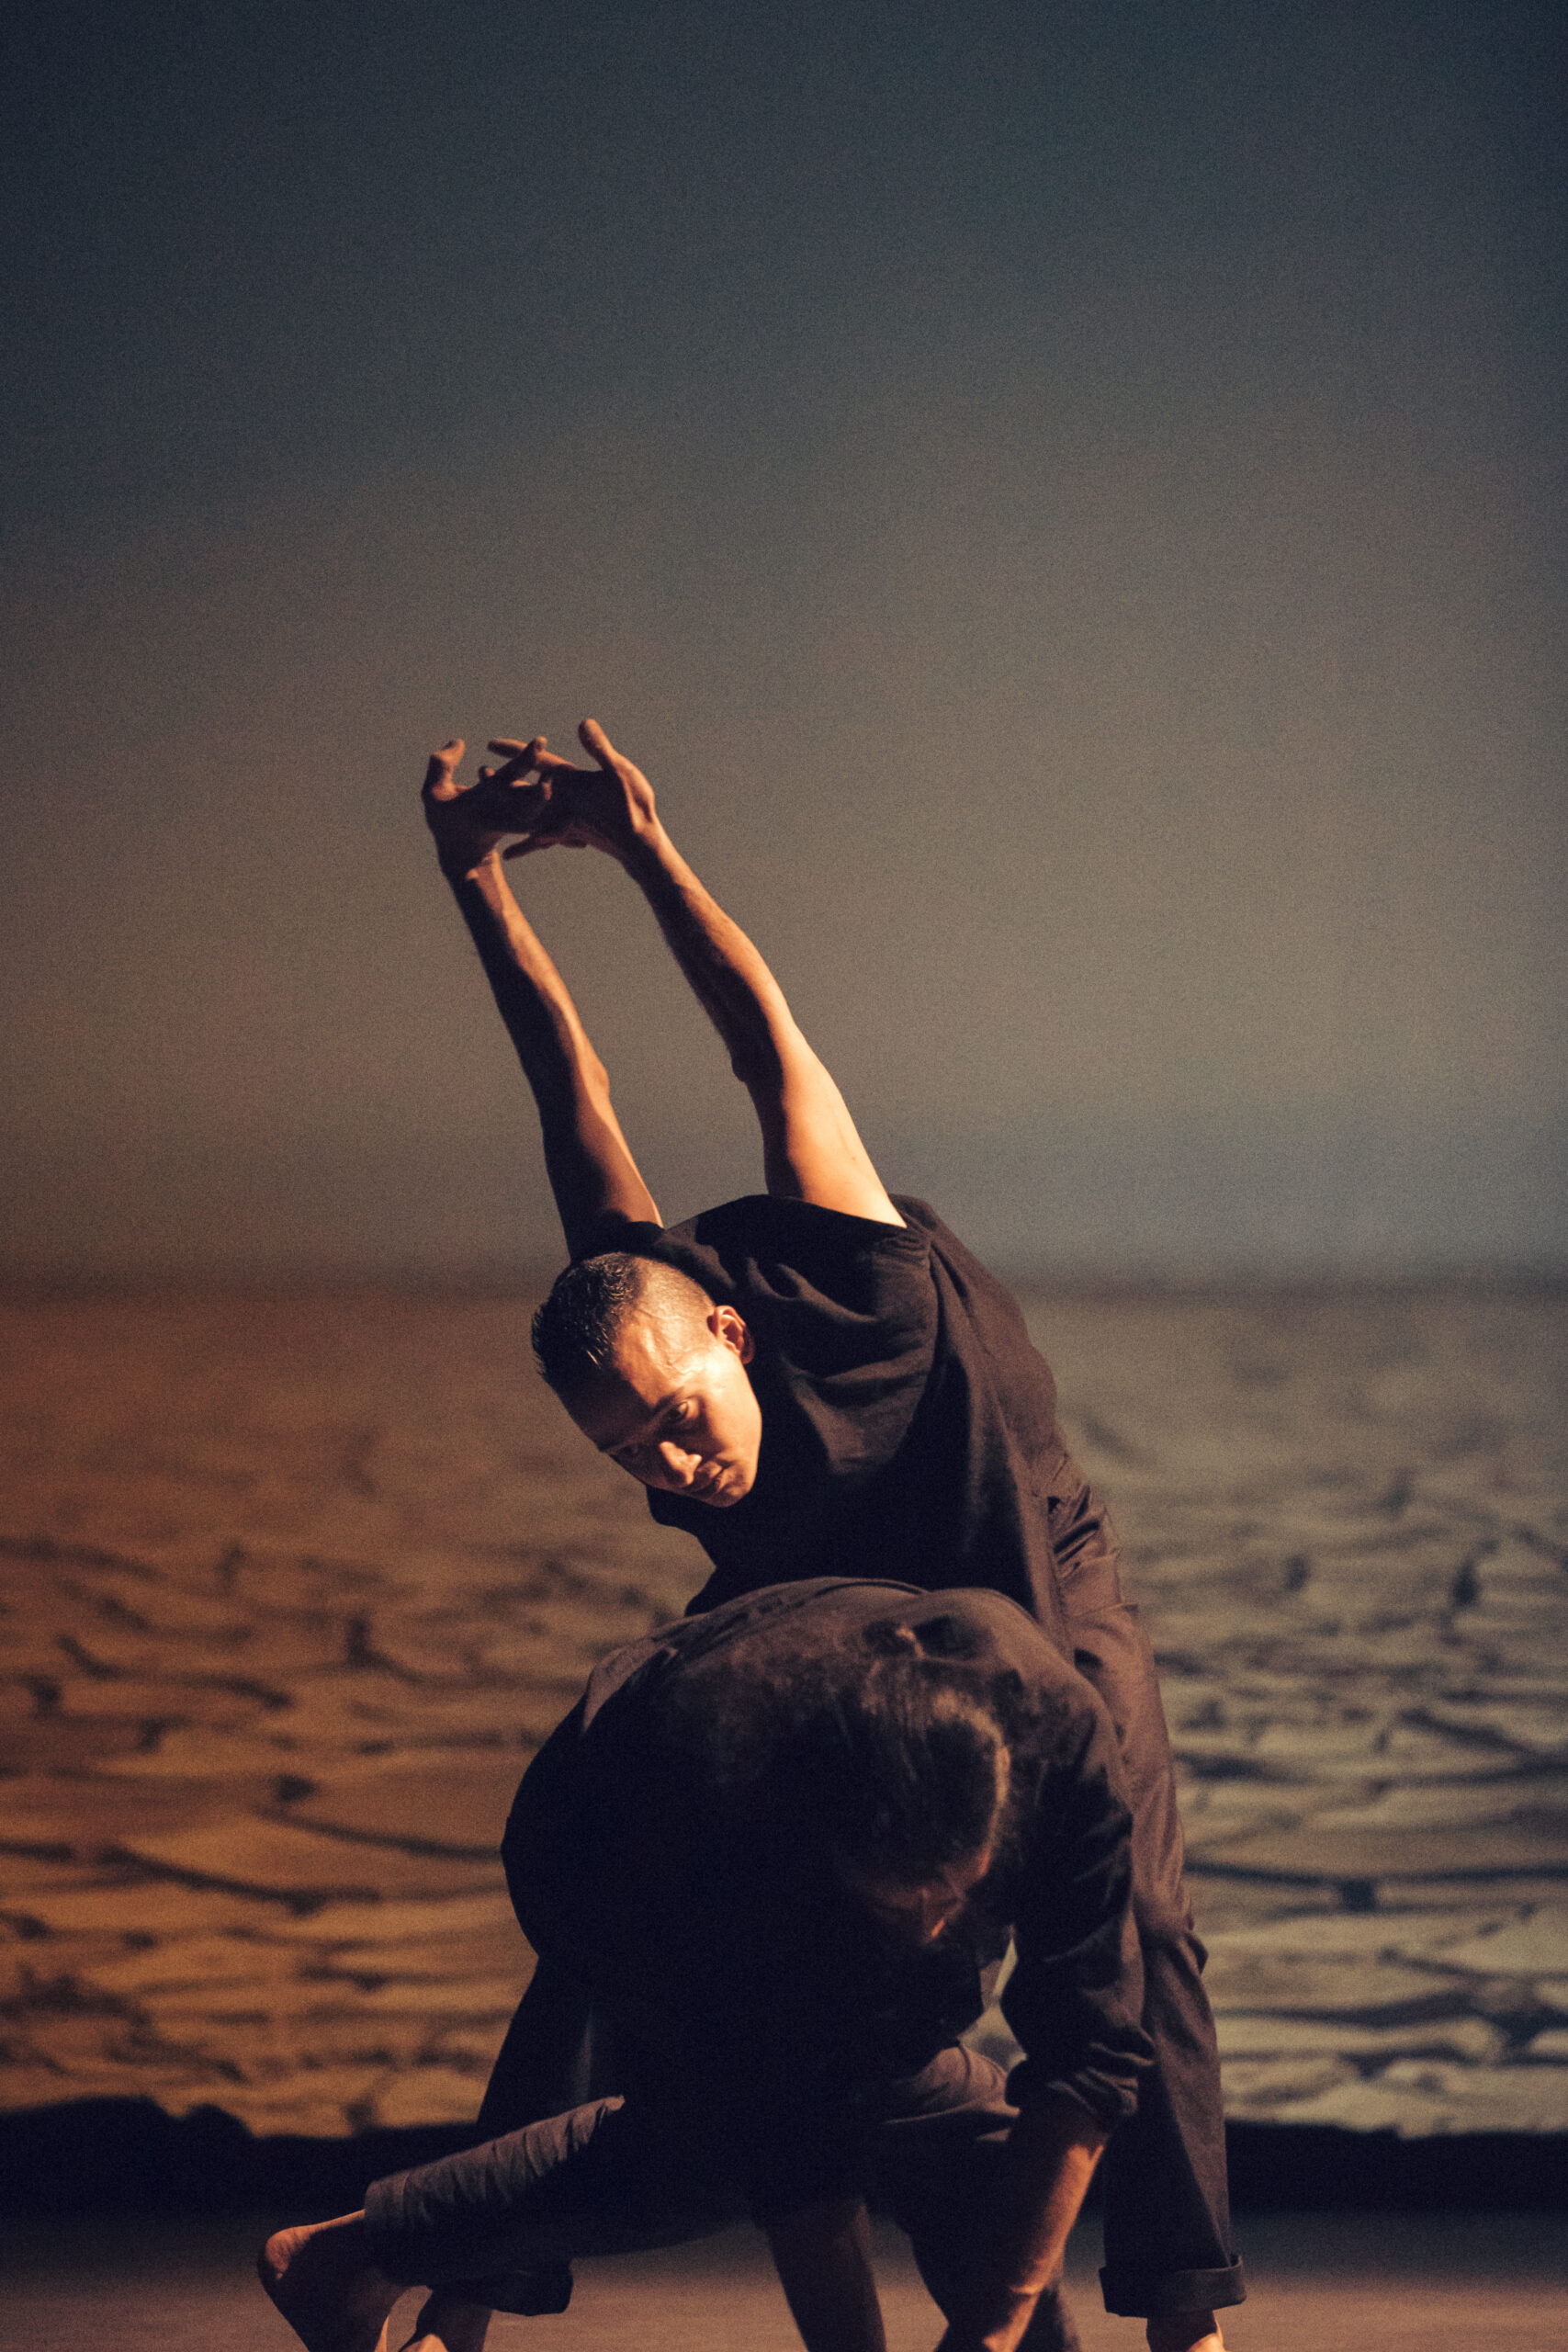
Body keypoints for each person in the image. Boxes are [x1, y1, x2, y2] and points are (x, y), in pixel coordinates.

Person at [398, 718, 1242, 2351]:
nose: (672, 1463)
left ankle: (1179, 2312)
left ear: (726, 1332)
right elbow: (565, 1086)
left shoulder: (851, 1275)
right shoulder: (628, 1310)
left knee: (1136, 1928)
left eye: (678, 1418)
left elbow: (759, 1042)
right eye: (628, 1455)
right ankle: (462, 2295)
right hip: (835, 1632)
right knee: (623, 1884)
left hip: (1027, 1575)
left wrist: (642, 852)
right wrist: (475, 883)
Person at [261, 1578, 1153, 2352]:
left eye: (953, 1896)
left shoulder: (1062, 1735)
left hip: (762, 1809)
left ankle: (347, 2257)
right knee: (740, 2135)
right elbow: (800, 2166)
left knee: (958, 2124)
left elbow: (1092, 2054)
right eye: (895, 1904)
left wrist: (991, 2332)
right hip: (601, 1838)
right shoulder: (729, 1790)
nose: (931, 1930)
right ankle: (357, 2254)